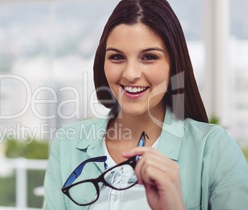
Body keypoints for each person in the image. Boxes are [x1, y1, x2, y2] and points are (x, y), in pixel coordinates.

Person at [43, 0, 248, 209]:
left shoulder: (214, 149)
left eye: (149, 57)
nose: (131, 74)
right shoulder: (67, 144)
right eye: (116, 57)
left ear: (174, 64)